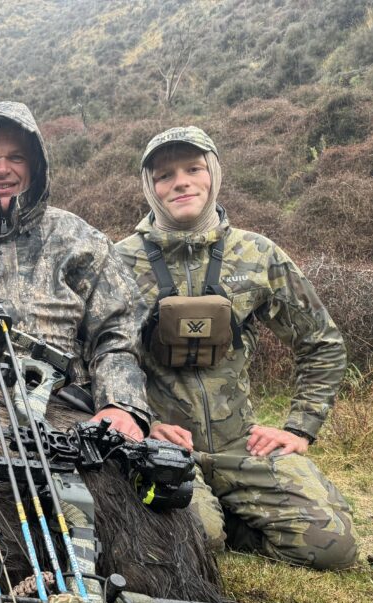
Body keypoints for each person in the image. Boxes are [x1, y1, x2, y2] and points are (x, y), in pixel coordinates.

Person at [113, 126, 356, 570]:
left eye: (193, 168)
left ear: (214, 174)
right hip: (163, 447)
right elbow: (91, 358)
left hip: (242, 445)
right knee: (197, 545)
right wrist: (140, 425)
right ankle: (215, 524)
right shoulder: (117, 262)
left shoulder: (258, 254)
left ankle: (236, 520)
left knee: (332, 548)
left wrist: (299, 427)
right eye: (164, 175)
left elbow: (321, 342)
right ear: (149, 186)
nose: (180, 182)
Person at [0, 101, 151, 440]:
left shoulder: (81, 239)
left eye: (15, 158)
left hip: (64, 414)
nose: (2, 169)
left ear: (35, 165)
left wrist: (120, 405)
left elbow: (118, 333)